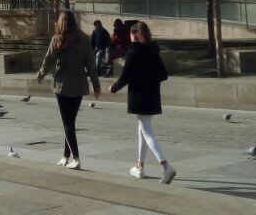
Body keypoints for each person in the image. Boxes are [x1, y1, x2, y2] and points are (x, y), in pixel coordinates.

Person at [109, 21, 176, 184]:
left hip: (139, 95)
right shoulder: (153, 50)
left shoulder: (134, 52)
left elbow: (126, 76)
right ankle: (140, 166)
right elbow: (163, 75)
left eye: (131, 34)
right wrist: (148, 76)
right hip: (152, 94)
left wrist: (114, 87)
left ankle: (165, 166)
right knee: (142, 129)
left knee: (146, 131)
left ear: (134, 34)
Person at [36, 11, 100, 170]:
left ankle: (76, 157)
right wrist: (96, 84)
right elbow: (90, 64)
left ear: (60, 22)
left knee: (68, 123)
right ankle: (65, 156)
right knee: (70, 122)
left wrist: (41, 74)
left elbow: (49, 59)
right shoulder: (84, 39)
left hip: (62, 84)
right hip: (79, 84)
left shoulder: (58, 39)